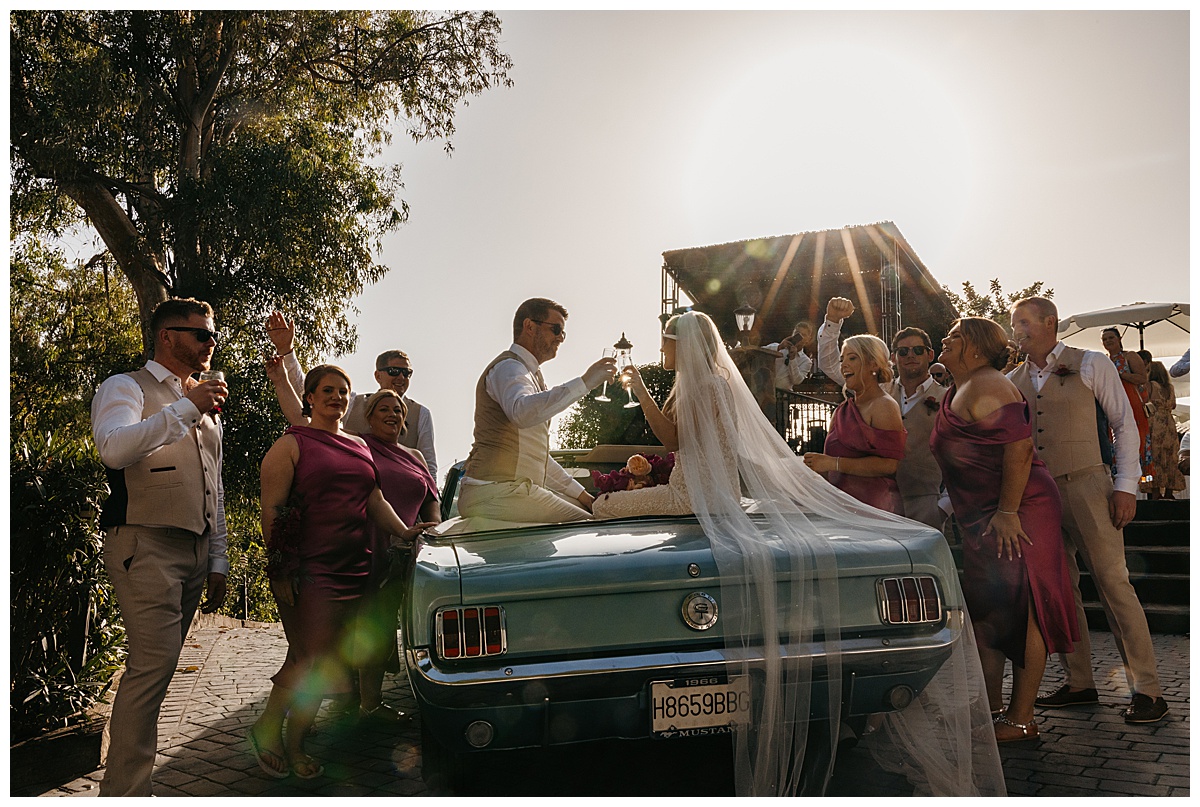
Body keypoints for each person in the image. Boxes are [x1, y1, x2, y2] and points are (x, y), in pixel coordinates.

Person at [584, 310, 1005, 795]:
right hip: (701, 491)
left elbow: (672, 438)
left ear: (685, 344)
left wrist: (638, 387)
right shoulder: (711, 384)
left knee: (602, 505)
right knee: (611, 502)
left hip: (691, 495)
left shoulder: (707, 386)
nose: (662, 349)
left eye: (666, 341)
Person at [250, 365, 433, 779]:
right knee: (311, 658)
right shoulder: (290, 445)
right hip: (309, 571)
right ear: (310, 398)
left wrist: (404, 531)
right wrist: (280, 568)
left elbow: (374, 498)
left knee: (323, 660)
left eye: (343, 391)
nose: (336, 397)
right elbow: (272, 511)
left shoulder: (360, 445)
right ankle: (273, 732)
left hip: (356, 568)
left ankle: (289, 739)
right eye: (328, 390)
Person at [91, 297, 230, 796]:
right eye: (201, 334)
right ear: (167, 336)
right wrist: (187, 408)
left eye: (213, 335)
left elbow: (214, 484)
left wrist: (218, 557)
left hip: (194, 549)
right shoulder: (125, 386)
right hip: (144, 542)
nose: (211, 343)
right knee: (152, 667)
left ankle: (125, 785)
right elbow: (114, 448)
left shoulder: (206, 404)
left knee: (160, 668)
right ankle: (125, 793)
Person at [1009, 298, 1168, 724]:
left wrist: (1126, 486)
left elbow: (1124, 424)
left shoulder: (1091, 363)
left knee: (1114, 584)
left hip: (1088, 484)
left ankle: (1148, 690)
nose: (1017, 329)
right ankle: (1079, 682)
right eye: (1013, 323)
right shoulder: (1012, 380)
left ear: (1049, 322)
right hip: (1036, 496)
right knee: (1062, 589)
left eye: (1023, 321)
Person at [931, 317, 1078, 744]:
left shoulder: (990, 385)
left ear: (977, 348)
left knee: (1024, 605)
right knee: (988, 609)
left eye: (955, 336)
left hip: (1018, 510)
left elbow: (1020, 449)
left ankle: (1021, 719)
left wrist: (1009, 511)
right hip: (983, 515)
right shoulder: (959, 387)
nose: (945, 338)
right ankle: (991, 707)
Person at [455, 298, 616, 525]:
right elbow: (522, 412)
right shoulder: (509, 367)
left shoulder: (529, 374)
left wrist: (585, 497)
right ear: (529, 326)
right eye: (556, 329)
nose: (560, 338)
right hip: (494, 492)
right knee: (591, 527)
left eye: (563, 333)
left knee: (589, 512)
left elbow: (537, 458)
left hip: (506, 492)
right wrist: (585, 382)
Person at [268, 312, 439, 480]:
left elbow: (429, 468)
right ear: (378, 375)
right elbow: (308, 391)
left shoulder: (421, 414)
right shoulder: (351, 403)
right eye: (394, 371)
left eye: (407, 373)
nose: (401, 377)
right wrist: (287, 352)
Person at [810, 299, 907, 514]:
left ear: (873, 364)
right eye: (843, 359)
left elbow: (889, 465)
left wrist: (833, 463)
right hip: (840, 507)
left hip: (875, 508)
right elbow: (826, 466)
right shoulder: (842, 410)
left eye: (852, 358)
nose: (843, 364)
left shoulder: (884, 405)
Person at [1100, 327, 1153, 483]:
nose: (1108, 341)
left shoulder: (1129, 356)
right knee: (1114, 443)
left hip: (1131, 404)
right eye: (1104, 339)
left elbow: (1142, 378)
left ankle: (1143, 481)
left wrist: (1120, 375)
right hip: (1109, 405)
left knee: (1136, 441)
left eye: (1111, 337)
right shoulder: (1103, 360)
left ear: (1119, 339)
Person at [1141, 361, 1185, 500]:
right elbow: (1173, 405)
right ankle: (1169, 492)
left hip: (1155, 422)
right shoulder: (1170, 388)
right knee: (1170, 457)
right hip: (1169, 423)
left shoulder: (1151, 385)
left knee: (1155, 457)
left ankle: (1155, 492)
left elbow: (1144, 401)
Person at [764, 321, 815, 393]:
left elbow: (797, 380)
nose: (800, 337)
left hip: (783, 394)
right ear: (792, 334)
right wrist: (779, 347)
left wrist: (792, 359)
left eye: (803, 335)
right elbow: (758, 352)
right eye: (797, 333)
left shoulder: (806, 361)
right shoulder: (777, 346)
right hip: (765, 391)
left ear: (808, 339)